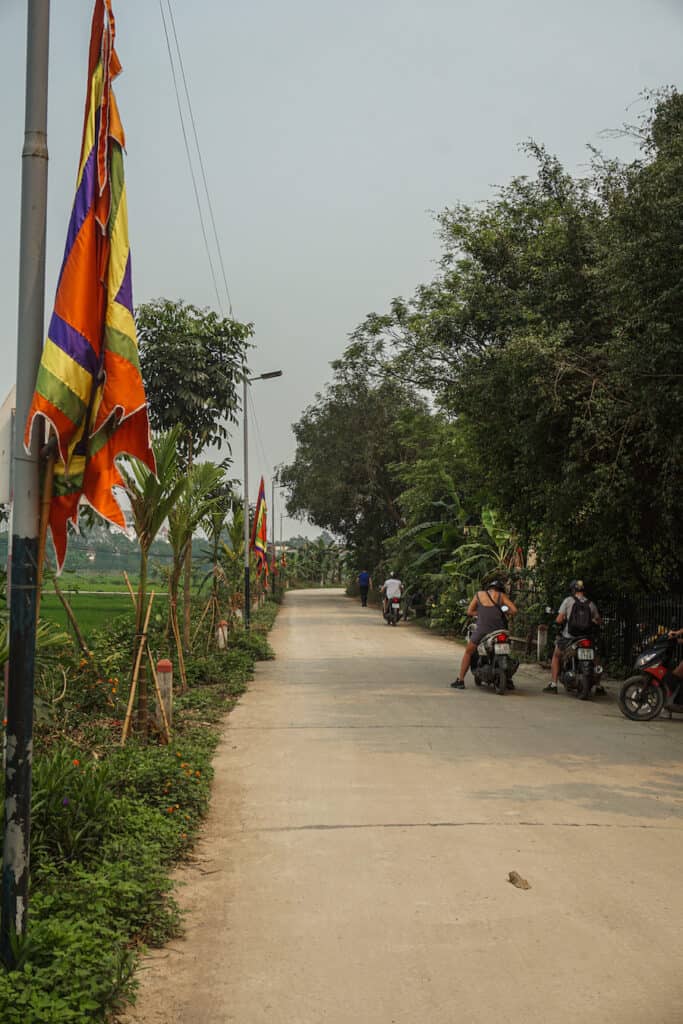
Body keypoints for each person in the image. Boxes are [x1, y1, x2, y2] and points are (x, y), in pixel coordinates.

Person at [451, 580, 517, 689]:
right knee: (507, 652)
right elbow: (514, 610)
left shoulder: (479, 594)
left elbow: (469, 612)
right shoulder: (502, 596)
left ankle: (460, 680)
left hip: (483, 630)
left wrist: (480, 613)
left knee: (469, 651)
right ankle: (508, 679)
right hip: (500, 630)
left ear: (488, 588)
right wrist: (503, 611)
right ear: (500, 590)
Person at [543, 579, 602, 694]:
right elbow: (598, 620)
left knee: (556, 656)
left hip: (570, 637)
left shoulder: (568, 601)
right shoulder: (591, 604)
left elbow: (559, 620)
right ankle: (599, 686)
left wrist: (562, 618)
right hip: (586, 637)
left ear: (573, 590)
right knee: (596, 659)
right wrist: (593, 621)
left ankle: (553, 684)